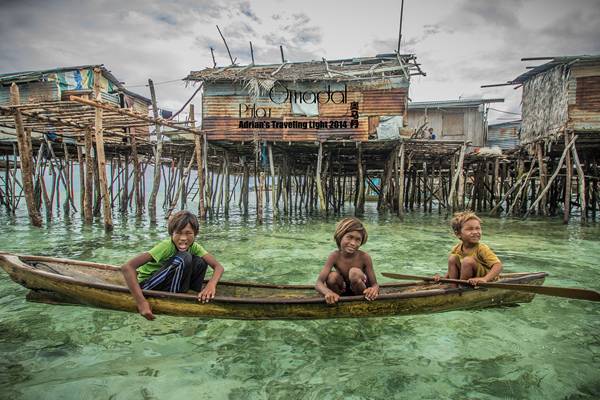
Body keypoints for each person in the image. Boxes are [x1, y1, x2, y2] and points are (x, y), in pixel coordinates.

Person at [121, 210, 225, 320]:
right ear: (172, 234)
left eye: (188, 233)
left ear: (195, 234)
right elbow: (127, 267)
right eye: (178, 233)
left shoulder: (195, 246)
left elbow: (218, 267)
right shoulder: (166, 246)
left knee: (200, 261)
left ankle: (192, 294)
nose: (183, 238)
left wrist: (211, 285)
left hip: (168, 282)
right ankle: (176, 297)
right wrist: (141, 302)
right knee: (185, 257)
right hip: (148, 286)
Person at [315, 217, 379, 304]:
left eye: (358, 240)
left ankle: (359, 302)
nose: (353, 243)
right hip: (341, 293)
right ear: (340, 236)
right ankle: (336, 300)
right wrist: (328, 293)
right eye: (349, 237)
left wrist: (373, 290)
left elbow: (375, 284)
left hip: (361, 293)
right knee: (331, 276)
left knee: (354, 272)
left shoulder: (364, 257)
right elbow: (318, 283)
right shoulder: (334, 256)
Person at [434, 211, 502, 286]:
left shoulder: (482, 248)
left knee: (467, 261)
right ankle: (453, 286)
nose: (475, 232)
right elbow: (452, 267)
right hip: (469, 278)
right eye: (470, 229)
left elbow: (498, 265)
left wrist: (484, 279)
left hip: (487, 279)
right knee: (452, 258)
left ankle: (462, 288)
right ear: (458, 234)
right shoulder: (457, 248)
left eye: (478, 228)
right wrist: (443, 279)